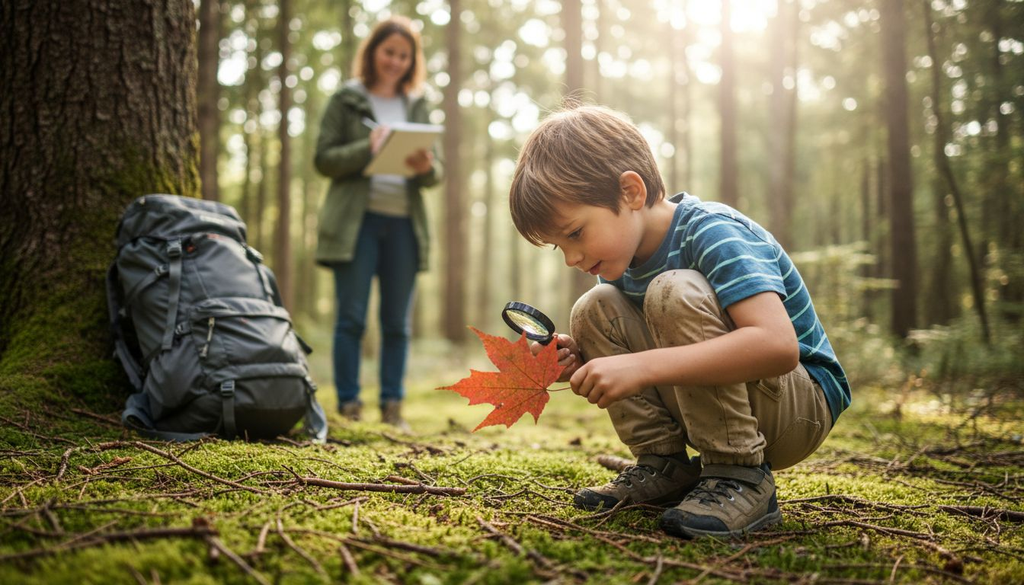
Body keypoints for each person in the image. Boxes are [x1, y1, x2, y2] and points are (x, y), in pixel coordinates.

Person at [508, 106, 850, 539]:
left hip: (800, 407)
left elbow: (778, 347)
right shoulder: (621, 263)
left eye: (575, 233)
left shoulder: (712, 232)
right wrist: (582, 358)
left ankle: (742, 474)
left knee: (674, 290)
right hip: (736, 398)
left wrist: (641, 367)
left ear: (631, 191)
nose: (572, 258)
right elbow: (666, 346)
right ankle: (664, 465)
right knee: (593, 308)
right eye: (559, 247)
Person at [313, 16, 440, 431]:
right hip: (356, 224)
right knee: (351, 318)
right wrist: (366, 147)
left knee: (397, 324)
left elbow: (435, 176)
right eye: (389, 52)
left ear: (412, 60)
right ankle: (349, 404)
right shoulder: (346, 99)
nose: (395, 61)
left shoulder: (417, 102)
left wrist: (426, 166)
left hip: (404, 224)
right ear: (373, 52)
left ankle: (392, 408)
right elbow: (324, 159)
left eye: (404, 55)